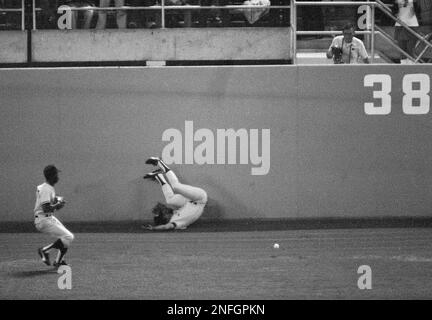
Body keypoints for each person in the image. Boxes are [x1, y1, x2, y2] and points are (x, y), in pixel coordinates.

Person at [142, 157, 208, 231]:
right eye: (163, 215)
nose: (165, 213)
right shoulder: (175, 222)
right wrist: (153, 228)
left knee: (170, 200)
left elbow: (170, 212)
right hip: (200, 198)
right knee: (176, 187)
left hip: (189, 201)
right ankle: (159, 162)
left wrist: (160, 213)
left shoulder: (174, 215)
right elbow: (166, 227)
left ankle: (158, 176)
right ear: (165, 219)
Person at [34, 165, 74, 268]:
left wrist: (57, 204)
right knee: (68, 236)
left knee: (66, 237)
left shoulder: (48, 188)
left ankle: (59, 262)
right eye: (56, 174)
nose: (58, 176)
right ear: (52, 176)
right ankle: (44, 251)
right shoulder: (46, 189)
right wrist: (57, 205)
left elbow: (50, 207)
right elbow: (46, 208)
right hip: (43, 220)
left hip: (48, 218)